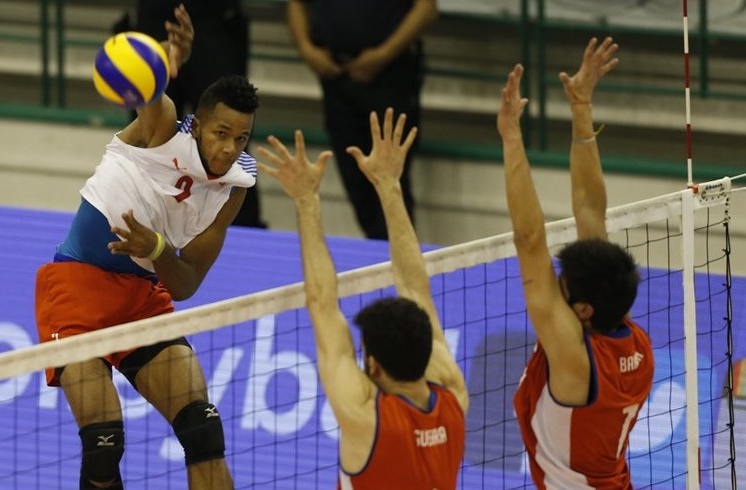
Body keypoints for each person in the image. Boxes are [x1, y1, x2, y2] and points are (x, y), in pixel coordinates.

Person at [35, 7, 255, 489]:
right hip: (78, 289)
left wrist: (155, 248)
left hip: (142, 296)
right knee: (103, 447)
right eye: (221, 134)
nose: (228, 150)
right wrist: (161, 68)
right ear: (198, 126)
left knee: (202, 428)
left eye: (241, 138)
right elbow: (151, 98)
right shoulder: (163, 129)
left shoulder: (234, 189)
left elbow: (188, 282)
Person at [256, 108, 468, 488]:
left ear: (373, 366)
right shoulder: (454, 394)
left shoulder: (365, 417)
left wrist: (307, 202)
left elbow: (322, 304)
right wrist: (389, 185)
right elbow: (415, 288)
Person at [498, 38, 655, 488]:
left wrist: (512, 138)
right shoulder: (631, 340)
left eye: (563, 285)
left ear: (583, 311)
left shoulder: (574, 358)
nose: (555, 285)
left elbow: (530, 241)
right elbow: (590, 210)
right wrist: (581, 109)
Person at [286, 0, 438, 239]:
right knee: (355, 178)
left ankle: (400, 258)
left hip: (390, 75)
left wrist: (383, 54)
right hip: (336, 74)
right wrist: (307, 49)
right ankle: (378, 251)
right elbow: (296, 3)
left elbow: (426, 8)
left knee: (391, 178)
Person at [134, 0, 265, 229]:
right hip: (155, 15)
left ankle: (238, 228)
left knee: (229, 128)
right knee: (146, 131)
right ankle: (137, 214)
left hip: (214, 21)